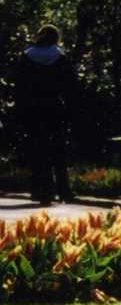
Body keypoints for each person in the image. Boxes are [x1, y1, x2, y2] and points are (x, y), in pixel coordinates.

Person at [14, 25, 76, 206]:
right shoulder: (60, 57)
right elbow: (70, 86)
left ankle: (41, 190)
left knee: (37, 148)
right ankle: (64, 191)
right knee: (58, 149)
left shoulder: (27, 56)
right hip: (55, 106)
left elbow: (20, 85)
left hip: (33, 107)